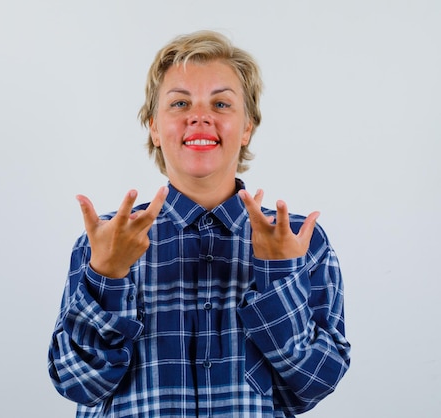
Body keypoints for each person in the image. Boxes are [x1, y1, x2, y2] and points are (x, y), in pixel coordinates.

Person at [47, 30, 350, 417]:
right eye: (179, 103)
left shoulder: (300, 241)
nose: (200, 116)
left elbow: (311, 386)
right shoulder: (105, 241)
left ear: (247, 128)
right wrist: (107, 274)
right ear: (154, 128)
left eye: (221, 103)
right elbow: (79, 384)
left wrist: (279, 275)